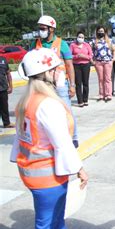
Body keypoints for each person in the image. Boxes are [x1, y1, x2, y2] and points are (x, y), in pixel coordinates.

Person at [10, 48, 88, 229]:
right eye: (56, 68)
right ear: (47, 73)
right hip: (48, 175)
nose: (59, 71)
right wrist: (79, 168)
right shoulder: (48, 105)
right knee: (44, 222)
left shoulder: (26, 100)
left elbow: (19, 139)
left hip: (34, 171)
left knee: (56, 212)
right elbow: (62, 143)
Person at [32, 15, 78, 147]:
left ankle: (73, 138)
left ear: (51, 29)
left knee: (66, 111)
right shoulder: (35, 44)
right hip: (41, 84)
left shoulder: (61, 44)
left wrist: (72, 85)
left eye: (43, 28)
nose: (40, 31)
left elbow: (69, 65)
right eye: (39, 28)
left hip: (60, 84)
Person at [92, 26, 115, 102]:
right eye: (99, 31)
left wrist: (113, 59)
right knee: (101, 79)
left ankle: (108, 94)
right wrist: (93, 61)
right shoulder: (94, 41)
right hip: (98, 62)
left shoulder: (110, 41)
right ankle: (101, 94)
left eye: (102, 31)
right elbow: (90, 52)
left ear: (105, 32)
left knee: (107, 79)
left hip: (108, 61)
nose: (101, 33)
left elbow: (114, 50)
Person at [70, 31, 92, 107]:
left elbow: (90, 56)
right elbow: (70, 56)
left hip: (86, 65)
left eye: (82, 37)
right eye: (79, 37)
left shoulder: (87, 45)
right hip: (76, 65)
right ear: (76, 37)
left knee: (85, 83)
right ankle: (80, 100)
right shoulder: (72, 45)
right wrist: (77, 56)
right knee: (78, 83)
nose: (81, 39)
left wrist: (84, 56)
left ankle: (85, 99)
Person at [0, 54, 13, 128]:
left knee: (4, 107)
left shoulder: (3, 60)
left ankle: (7, 123)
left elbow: (8, 73)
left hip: (3, 88)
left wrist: (10, 86)